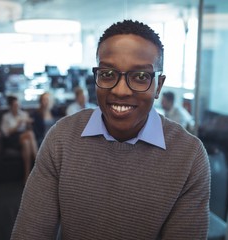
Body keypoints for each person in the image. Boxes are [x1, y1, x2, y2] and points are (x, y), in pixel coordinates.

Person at [11, 20, 210, 239]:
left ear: (158, 86)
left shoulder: (189, 156)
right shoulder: (62, 138)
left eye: (141, 76)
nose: (121, 91)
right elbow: (30, 233)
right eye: (107, 74)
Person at [0, 95, 38, 183]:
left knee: (26, 143)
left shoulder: (24, 114)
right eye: (15, 105)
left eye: (18, 105)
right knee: (30, 134)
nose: (17, 107)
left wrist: (29, 124)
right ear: (10, 106)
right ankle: (38, 161)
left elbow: (29, 127)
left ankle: (27, 176)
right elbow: (6, 133)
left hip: (23, 136)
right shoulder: (6, 117)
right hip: (12, 138)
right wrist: (17, 125)